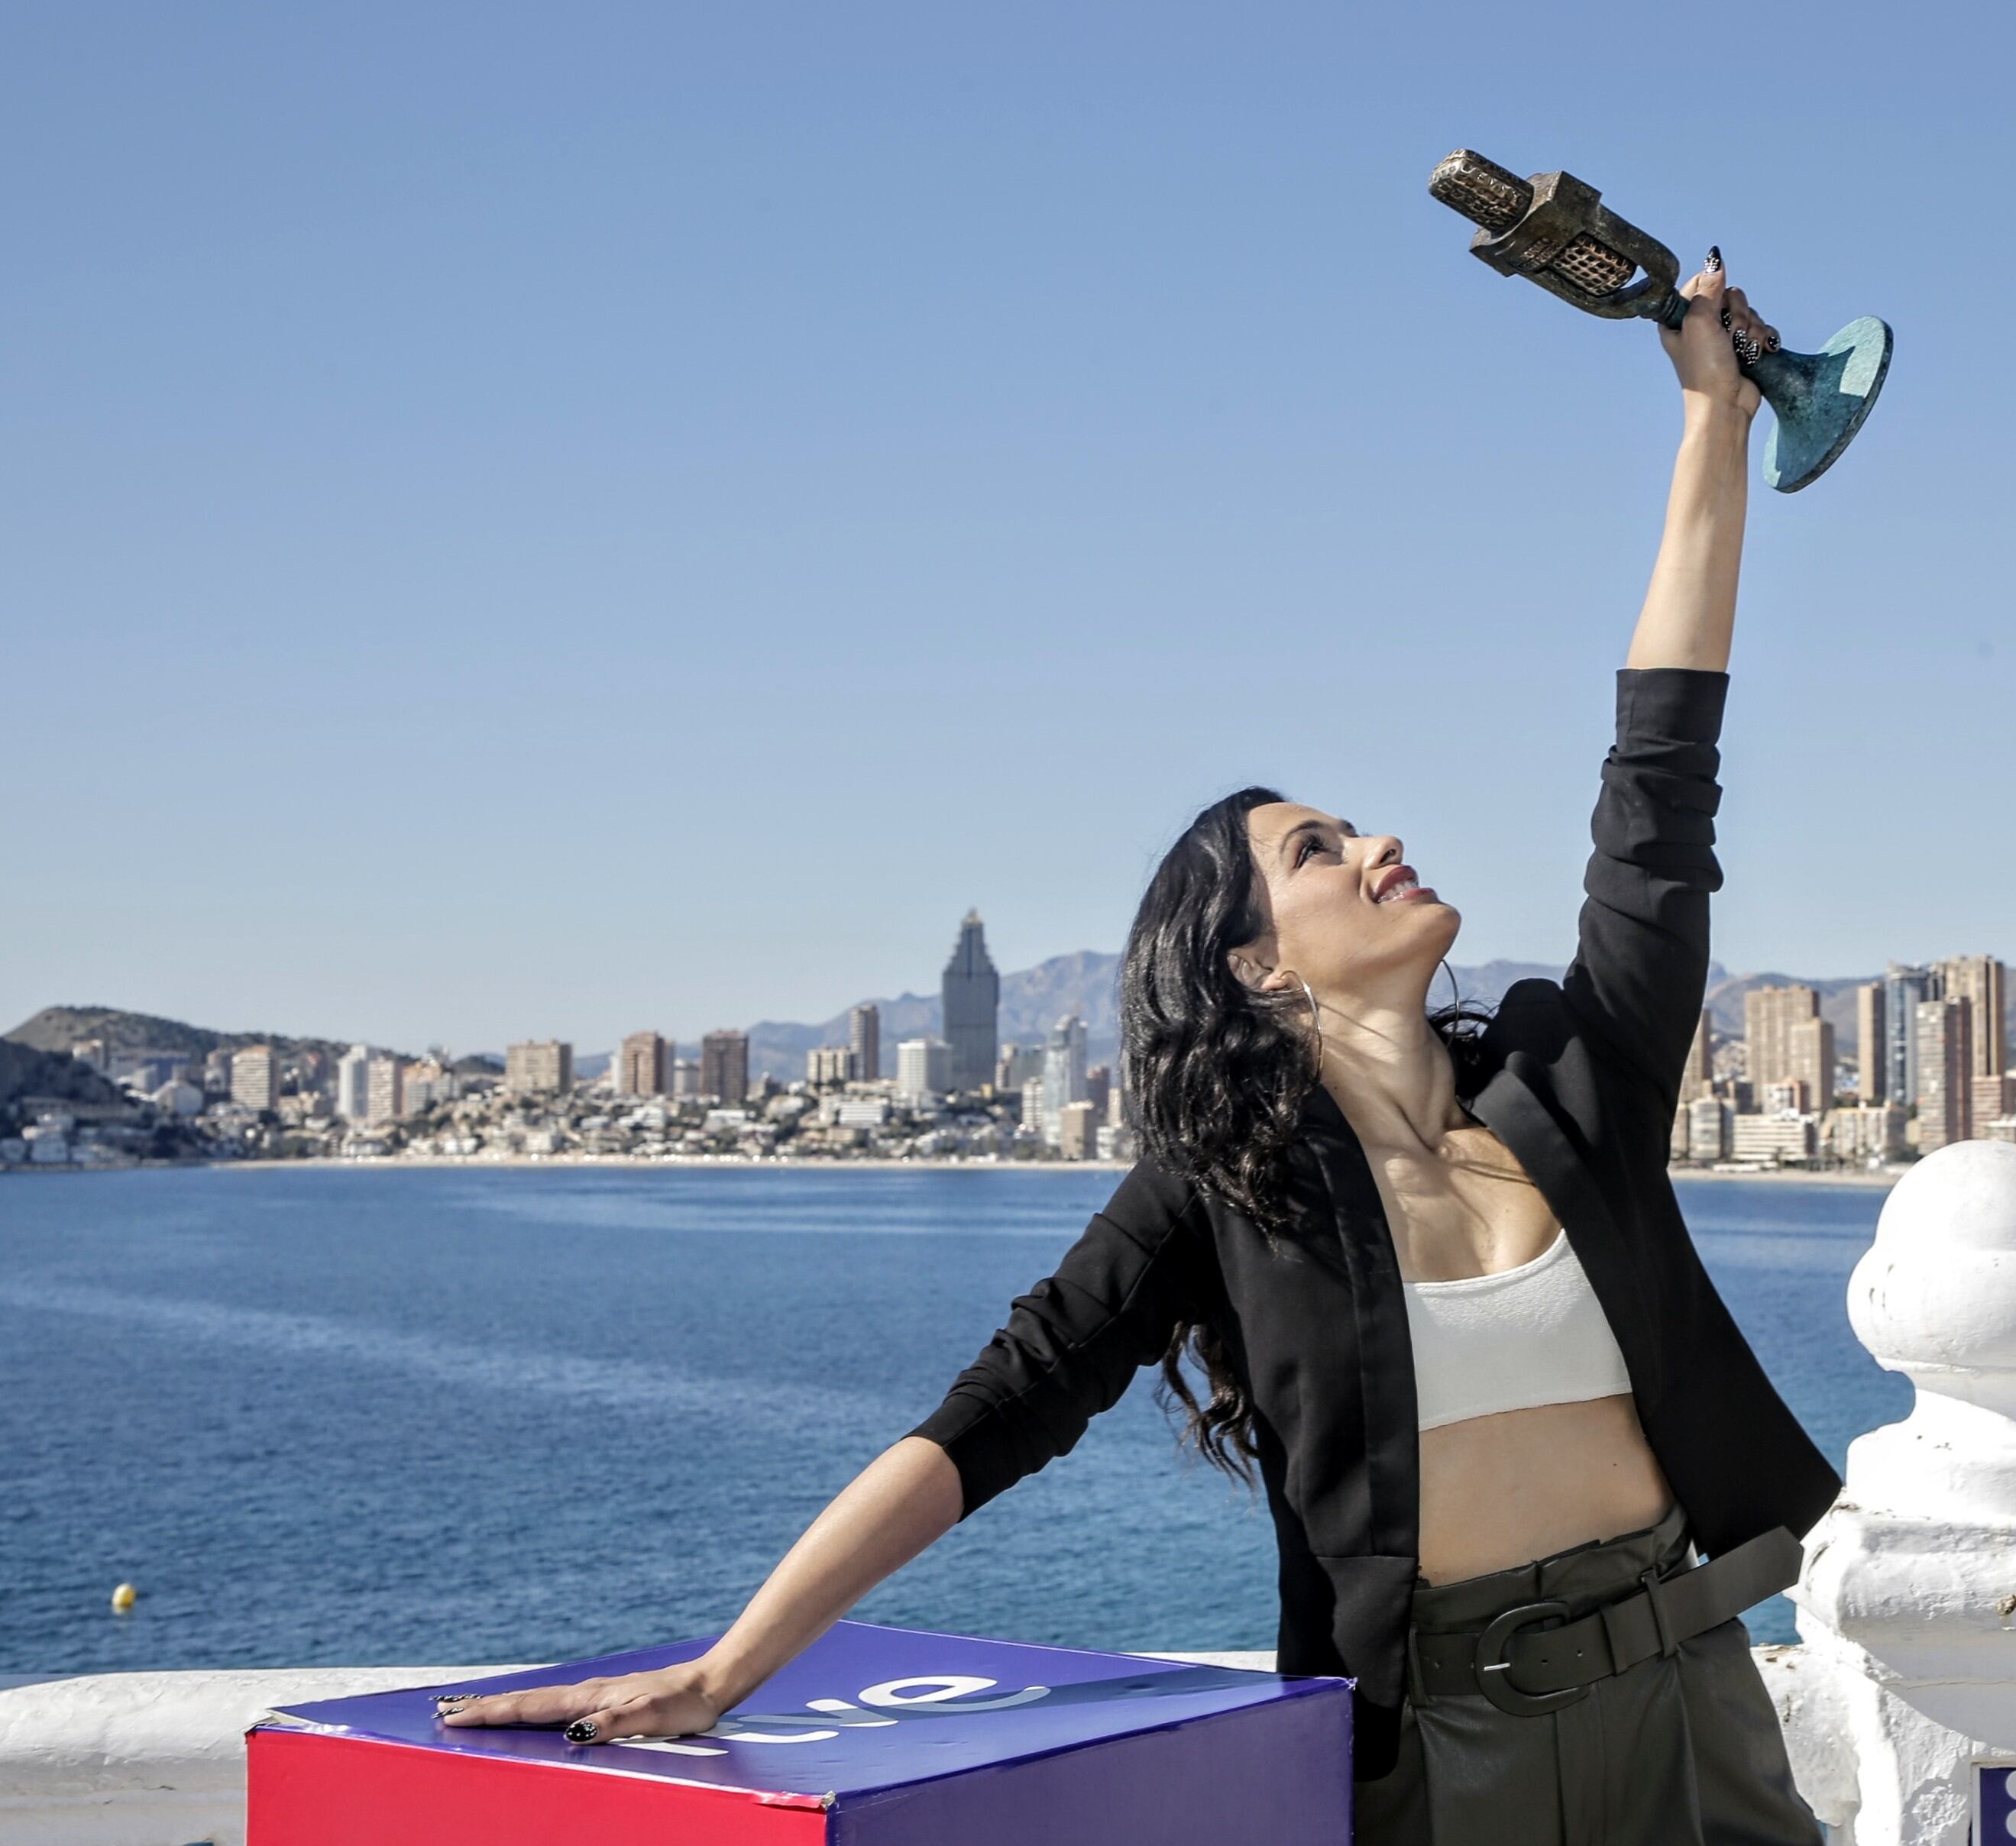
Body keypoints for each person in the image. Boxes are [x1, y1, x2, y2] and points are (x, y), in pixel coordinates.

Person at [445, 255, 1834, 1844]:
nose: (1380, 842)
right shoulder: (1223, 1189)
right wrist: (729, 1667)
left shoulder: (1573, 1077)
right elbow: (999, 1410)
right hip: (1433, 1758)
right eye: (1318, 850)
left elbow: (1660, 779)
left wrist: (1710, 426)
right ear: (1255, 963)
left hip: (1689, 1708)